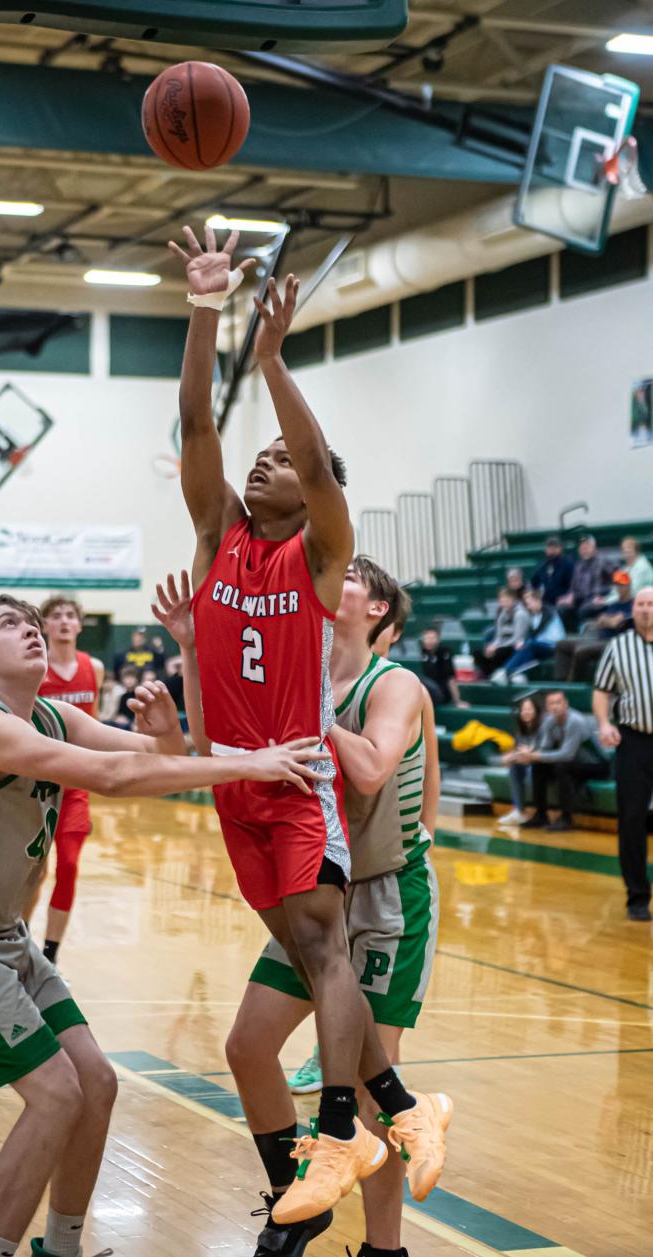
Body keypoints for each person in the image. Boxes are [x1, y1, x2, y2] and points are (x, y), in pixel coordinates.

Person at [0, 592, 328, 1257]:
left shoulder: (54, 714)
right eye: (11, 624)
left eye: (34, 623)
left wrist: (174, 712)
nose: (30, 630)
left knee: (98, 1083)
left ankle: (61, 1248)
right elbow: (115, 774)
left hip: (2, 936)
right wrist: (248, 763)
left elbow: (156, 756)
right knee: (56, 1093)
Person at [169, 222, 448, 1243]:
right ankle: (379, 1120)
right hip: (232, 791)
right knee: (295, 957)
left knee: (324, 946)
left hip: (296, 786)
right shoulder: (214, 537)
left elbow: (327, 478)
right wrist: (204, 310)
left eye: (281, 462)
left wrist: (275, 360)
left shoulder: (322, 558)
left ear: (312, 488)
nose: (260, 466)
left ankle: (342, 1130)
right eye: (260, 457)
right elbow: (196, 422)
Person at [153, 560, 450, 1257]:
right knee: (248, 1044)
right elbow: (215, 744)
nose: (325, 577)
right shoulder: (296, 672)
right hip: (316, 885)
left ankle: (384, 1249)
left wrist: (310, 708)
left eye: (347, 575)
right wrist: (194, 648)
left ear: (376, 608)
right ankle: (296, 1197)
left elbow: (373, 767)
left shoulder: (394, 682)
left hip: (383, 896)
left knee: (370, 1093)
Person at [33, 595, 105, 967]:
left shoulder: (94, 667)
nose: (63, 621)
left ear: (79, 625)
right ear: (44, 624)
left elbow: (95, 723)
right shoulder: (33, 667)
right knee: (33, 870)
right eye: (56, 616)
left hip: (77, 782)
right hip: (35, 784)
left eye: (70, 616)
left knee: (71, 866)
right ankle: (16, 943)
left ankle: (49, 957)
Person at [593, 586, 653, 922]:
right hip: (634, 740)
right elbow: (602, 691)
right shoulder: (619, 646)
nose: (646, 609)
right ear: (634, 609)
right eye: (641, 604)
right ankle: (638, 896)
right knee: (631, 818)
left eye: (651, 604)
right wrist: (603, 723)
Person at [517, 690, 608, 832]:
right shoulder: (549, 721)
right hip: (573, 764)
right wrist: (530, 753)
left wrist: (535, 755)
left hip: (596, 765)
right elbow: (544, 748)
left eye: (558, 702)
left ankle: (566, 818)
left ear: (566, 704)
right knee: (539, 766)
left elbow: (567, 755)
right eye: (551, 703)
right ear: (547, 707)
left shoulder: (575, 721)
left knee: (561, 767)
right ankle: (541, 815)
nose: (555, 707)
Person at [554, 571, 634, 683]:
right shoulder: (614, 604)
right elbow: (600, 621)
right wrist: (610, 620)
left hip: (614, 643)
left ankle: (574, 688)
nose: (619, 588)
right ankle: (561, 683)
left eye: (622, 585)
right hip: (599, 637)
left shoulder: (633, 604)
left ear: (628, 586)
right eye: (617, 585)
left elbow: (617, 623)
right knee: (561, 644)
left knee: (581, 651)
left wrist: (609, 620)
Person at [498, 695, 544, 826]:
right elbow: (519, 751)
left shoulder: (544, 728)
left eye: (529, 709)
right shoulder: (520, 731)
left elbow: (543, 750)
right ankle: (518, 810)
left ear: (536, 711)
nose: (526, 712)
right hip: (528, 763)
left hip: (543, 765)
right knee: (514, 768)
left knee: (532, 773)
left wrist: (528, 754)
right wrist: (511, 757)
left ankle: (538, 813)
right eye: (523, 710)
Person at [502, 588, 565, 682]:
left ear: (538, 601)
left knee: (529, 644)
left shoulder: (549, 612)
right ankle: (516, 674)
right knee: (522, 646)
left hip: (554, 647)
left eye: (529, 603)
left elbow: (542, 634)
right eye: (527, 604)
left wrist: (526, 642)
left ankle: (506, 671)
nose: (528, 607)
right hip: (540, 646)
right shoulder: (534, 615)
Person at [556, 535, 610, 631]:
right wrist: (569, 597)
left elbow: (619, 577)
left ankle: (584, 637)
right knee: (563, 608)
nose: (584, 550)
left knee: (584, 610)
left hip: (597, 600)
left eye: (587, 547)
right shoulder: (578, 566)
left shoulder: (604, 562)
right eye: (582, 547)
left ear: (594, 548)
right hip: (580, 600)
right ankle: (570, 639)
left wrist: (607, 595)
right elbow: (573, 588)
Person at [473, 587, 530, 679]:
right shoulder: (502, 614)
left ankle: (495, 676)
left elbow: (517, 638)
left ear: (512, 599)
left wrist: (497, 647)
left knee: (498, 652)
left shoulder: (520, 614)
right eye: (501, 600)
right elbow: (498, 636)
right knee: (477, 652)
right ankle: (488, 676)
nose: (503, 602)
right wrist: (492, 646)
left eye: (506, 600)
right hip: (503, 644)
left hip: (516, 645)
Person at [419, 626, 467, 709]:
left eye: (432, 638)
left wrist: (457, 701)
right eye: (426, 638)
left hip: (440, 693)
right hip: (423, 691)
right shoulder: (419, 653)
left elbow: (450, 679)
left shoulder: (444, 653)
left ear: (438, 640)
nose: (429, 641)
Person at [529, 537, 573, 606]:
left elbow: (573, 585)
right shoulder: (543, 564)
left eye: (555, 547)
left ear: (560, 548)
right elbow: (534, 582)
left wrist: (567, 597)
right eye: (549, 547)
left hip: (562, 600)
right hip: (545, 601)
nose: (552, 550)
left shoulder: (567, 564)